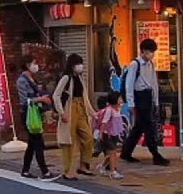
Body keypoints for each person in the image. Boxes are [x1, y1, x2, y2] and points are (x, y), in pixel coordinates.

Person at [121, 38, 171, 166]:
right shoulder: (135, 64)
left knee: (138, 127)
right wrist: (131, 104)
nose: (151, 54)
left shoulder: (150, 65)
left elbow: (154, 83)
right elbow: (129, 85)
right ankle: (155, 154)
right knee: (148, 127)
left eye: (153, 52)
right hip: (139, 97)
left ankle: (126, 152)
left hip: (148, 96)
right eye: (149, 51)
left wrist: (156, 101)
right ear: (143, 51)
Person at [52, 53, 96, 181]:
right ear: (72, 65)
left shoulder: (80, 78)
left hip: (81, 108)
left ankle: (83, 165)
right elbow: (56, 95)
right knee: (68, 141)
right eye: (78, 64)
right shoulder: (66, 78)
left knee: (88, 137)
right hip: (69, 109)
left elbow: (85, 98)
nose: (80, 66)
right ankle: (68, 170)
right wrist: (61, 112)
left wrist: (92, 113)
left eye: (81, 63)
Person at [16, 54, 56, 179]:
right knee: (38, 142)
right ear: (27, 65)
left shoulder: (32, 78)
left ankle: (25, 170)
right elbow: (24, 100)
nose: (36, 66)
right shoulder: (22, 80)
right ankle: (45, 171)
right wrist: (41, 99)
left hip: (35, 112)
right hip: (28, 114)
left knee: (32, 143)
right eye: (34, 63)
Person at [95, 92, 127, 179]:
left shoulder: (118, 109)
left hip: (114, 134)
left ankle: (102, 165)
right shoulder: (109, 110)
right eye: (120, 98)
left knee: (113, 152)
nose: (121, 100)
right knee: (112, 152)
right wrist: (101, 133)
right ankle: (113, 172)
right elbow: (104, 122)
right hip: (107, 134)